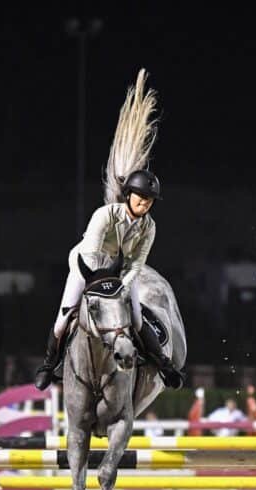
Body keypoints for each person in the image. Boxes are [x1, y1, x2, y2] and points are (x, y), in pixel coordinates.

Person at [33, 69, 183, 392]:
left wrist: (123, 284)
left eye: (149, 200)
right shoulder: (105, 216)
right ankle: (49, 363)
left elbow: (137, 264)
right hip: (87, 269)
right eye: (140, 198)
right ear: (129, 195)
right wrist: (102, 278)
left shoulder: (149, 227)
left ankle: (164, 366)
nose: (144, 204)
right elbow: (91, 251)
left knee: (139, 321)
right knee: (65, 316)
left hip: (119, 278)